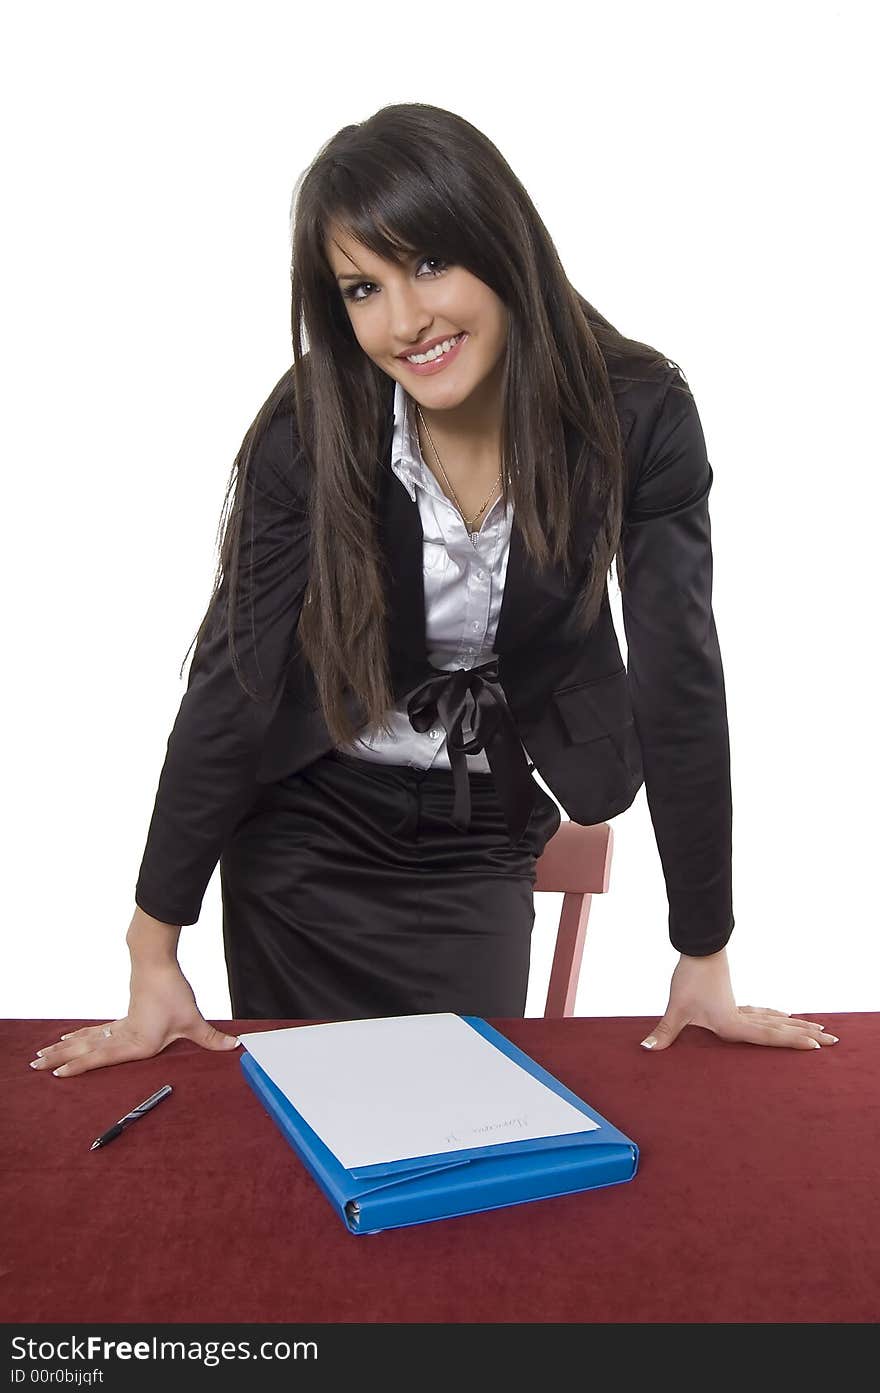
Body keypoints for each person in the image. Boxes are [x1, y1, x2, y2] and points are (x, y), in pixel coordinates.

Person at [30, 103, 837, 1080]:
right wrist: (151, 948)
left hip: (474, 825)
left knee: (466, 1112)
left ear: (500, 247)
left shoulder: (638, 414)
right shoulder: (312, 424)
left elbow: (679, 679)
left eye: (426, 264)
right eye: (362, 287)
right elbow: (233, 681)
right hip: (306, 830)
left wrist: (701, 949)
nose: (404, 322)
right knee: (306, 1134)